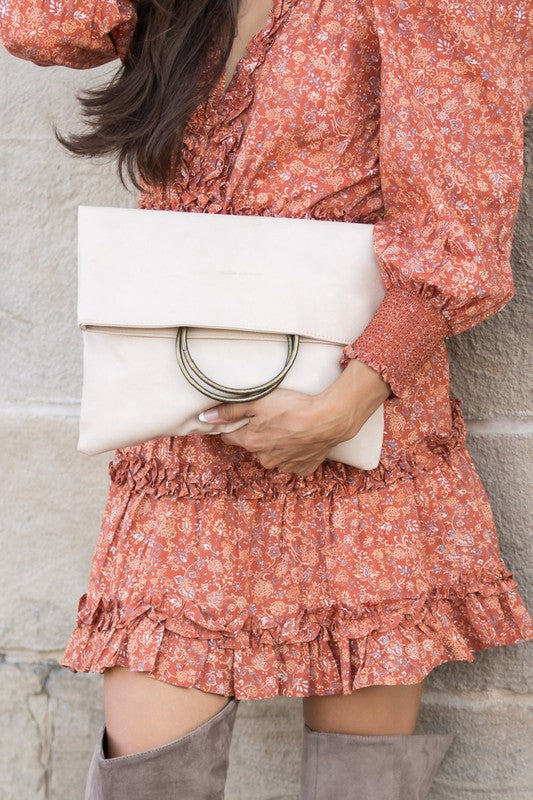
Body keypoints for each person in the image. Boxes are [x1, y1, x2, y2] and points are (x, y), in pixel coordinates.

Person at [2, 1, 532, 798]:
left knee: (359, 787)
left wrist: (343, 407)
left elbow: (458, 232)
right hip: (184, 444)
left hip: (358, 432)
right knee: (147, 777)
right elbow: (39, 26)